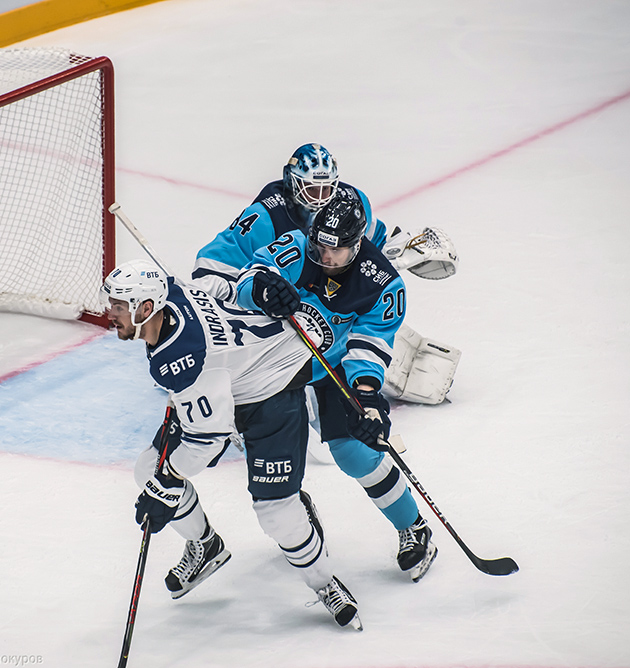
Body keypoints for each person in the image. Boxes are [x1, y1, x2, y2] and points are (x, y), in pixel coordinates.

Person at [103, 259, 363, 629]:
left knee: (277, 512)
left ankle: (325, 583)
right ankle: (205, 546)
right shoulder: (173, 292)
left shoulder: (182, 361)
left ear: (146, 308)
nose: (109, 312)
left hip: (272, 384)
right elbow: (221, 287)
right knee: (149, 469)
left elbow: (208, 441)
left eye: (117, 305)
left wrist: (168, 483)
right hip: (229, 379)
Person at [234, 191, 438, 582]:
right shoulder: (297, 248)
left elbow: (370, 342)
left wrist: (366, 396)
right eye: (320, 246)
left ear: (357, 244)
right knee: (274, 459)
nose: (324, 257)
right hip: (275, 367)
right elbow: (250, 274)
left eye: (336, 251)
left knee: (356, 454)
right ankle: (297, 512)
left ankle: (413, 526)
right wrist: (259, 289)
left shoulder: (382, 284)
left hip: (332, 367)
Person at [192, 142, 461, 406]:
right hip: (258, 296)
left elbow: (372, 241)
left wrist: (398, 250)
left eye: (327, 188)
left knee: (355, 319)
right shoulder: (266, 217)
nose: (320, 198)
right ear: (292, 182)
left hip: (313, 298)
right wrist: (252, 293)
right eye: (311, 188)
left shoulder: (353, 203)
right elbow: (211, 268)